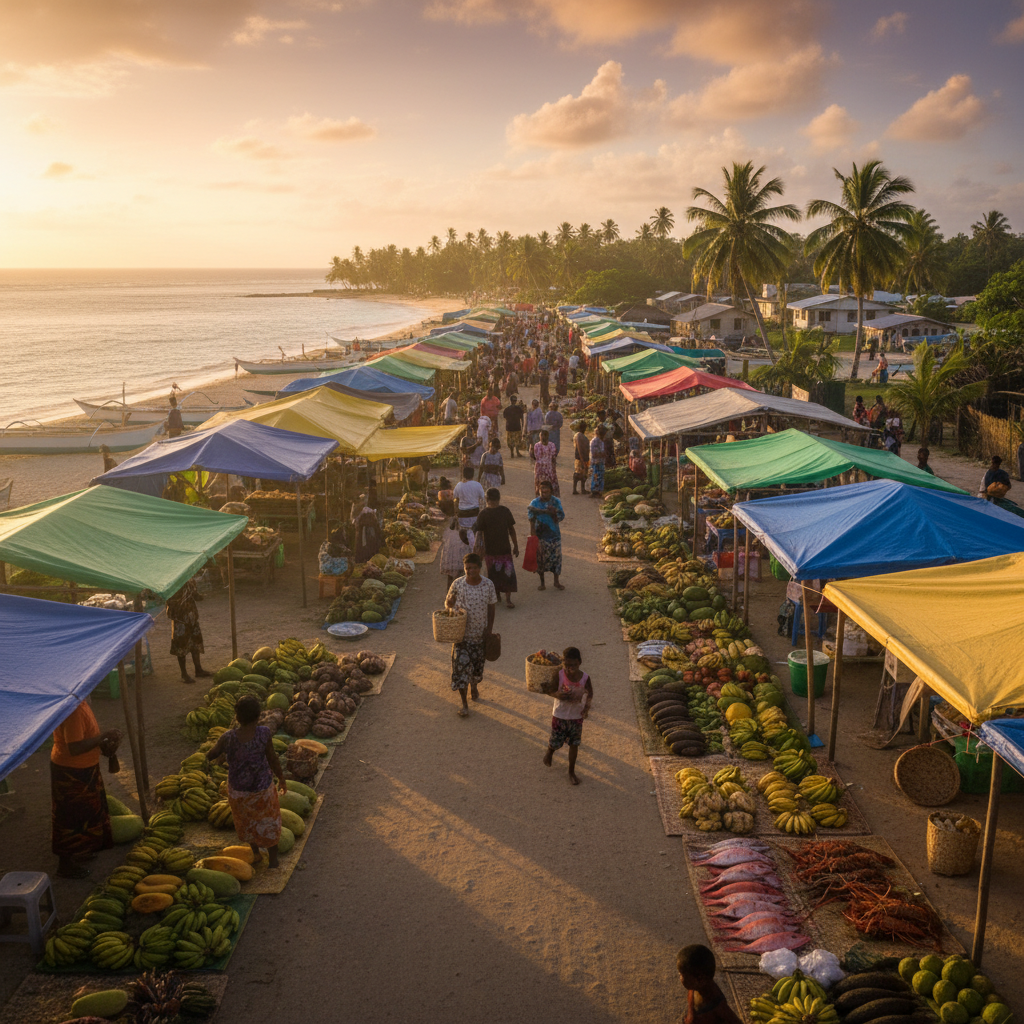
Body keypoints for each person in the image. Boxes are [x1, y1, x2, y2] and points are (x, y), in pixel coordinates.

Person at [206, 695, 287, 868]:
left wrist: (218, 753)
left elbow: (211, 755)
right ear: (259, 716)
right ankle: (273, 860)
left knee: (247, 822)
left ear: (237, 717)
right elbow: (272, 758)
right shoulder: (264, 733)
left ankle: (256, 853)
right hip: (262, 789)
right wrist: (281, 778)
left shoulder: (227, 737)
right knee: (269, 822)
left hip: (239, 791)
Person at [50, 698, 121, 877]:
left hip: (84, 767)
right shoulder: (73, 710)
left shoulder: (80, 702)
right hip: (72, 771)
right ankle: (65, 864)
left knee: (85, 816)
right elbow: (74, 747)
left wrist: (101, 742)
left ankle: (78, 852)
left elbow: (83, 737)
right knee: (70, 818)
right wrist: (101, 737)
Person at [445, 553, 497, 716]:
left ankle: (474, 686)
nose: (470, 570)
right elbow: (448, 605)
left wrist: (489, 630)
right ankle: (464, 705)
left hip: (479, 637)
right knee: (461, 669)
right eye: (467, 568)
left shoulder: (488, 585)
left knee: (476, 670)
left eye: (474, 567)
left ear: (479, 568)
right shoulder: (457, 584)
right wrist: (450, 604)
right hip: (461, 637)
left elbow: (491, 607)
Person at [542, 646, 592, 785]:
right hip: (560, 715)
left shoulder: (585, 678)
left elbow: (590, 693)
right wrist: (557, 694)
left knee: (574, 744)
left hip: (576, 717)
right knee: (556, 740)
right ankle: (550, 752)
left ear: (579, 662)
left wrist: (586, 708)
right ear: (563, 662)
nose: (570, 668)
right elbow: (549, 690)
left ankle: (571, 771)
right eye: (567, 665)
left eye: (574, 665)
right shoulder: (559, 675)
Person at [473, 487, 519, 609]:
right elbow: (512, 530)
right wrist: (516, 546)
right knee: (507, 575)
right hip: (504, 549)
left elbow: (478, 534)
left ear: (486, 499)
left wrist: (479, 551)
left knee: (493, 575)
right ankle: (508, 599)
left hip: (491, 551)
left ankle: (497, 595)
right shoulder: (505, 511)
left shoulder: (483, 514)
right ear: (499, 499)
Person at [441, 466, 487, 588]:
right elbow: (482, 498)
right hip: (474, 516)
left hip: (462, 518)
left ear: (463, 474)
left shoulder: (459, 486)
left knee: (462, 537)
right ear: (472, 474)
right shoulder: (477, 485)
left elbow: (455, 498)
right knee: (474, 536)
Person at [677, 944, 742, 1024]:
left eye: (681, 974)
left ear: (699, 979)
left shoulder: (716, 1003)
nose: (679, 976)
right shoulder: (695, 987)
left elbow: (735, 1021)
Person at [167, 577, 209, 684]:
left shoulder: (190, 580)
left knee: (195, 643)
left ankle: (198, 669)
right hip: (180, 619)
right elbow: (170, 600)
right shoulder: (172, 582)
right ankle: (184, 674)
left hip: (191, 617)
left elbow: (195, 596)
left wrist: (201, 596)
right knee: (181, 647)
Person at [528, 479, 565, 590]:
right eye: (541, 491)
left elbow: (561, 516)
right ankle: (542, 583)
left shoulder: (556, 502)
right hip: (540, 535)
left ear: (551, 491)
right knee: (541, 559)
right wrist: (533, 536)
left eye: (546, 491)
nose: (543, 493)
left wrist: (553, 513)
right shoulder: (534, 503)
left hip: (554, 534)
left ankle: (556, 582)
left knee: (556, 558)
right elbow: (531, 519)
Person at [532, 428, 560, 496]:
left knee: (545, 485)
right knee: (542, 484)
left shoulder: (540, 445)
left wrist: (553, 469)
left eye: (543, 436)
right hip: (542, 468)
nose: (542, 437)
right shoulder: (538, 445)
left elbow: (553, 458)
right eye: (541, 436)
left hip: (545, 468)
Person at [572, 422, 590, 495]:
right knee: (578, 473)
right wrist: (582, 459)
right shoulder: (579, 435)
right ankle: (575, 489)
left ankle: (582, 489)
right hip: (580, 458)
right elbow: (579, 448)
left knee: (584, 474)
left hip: (583, 457)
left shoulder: (580, 435)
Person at [589, 424, 607, 498]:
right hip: (596, 462)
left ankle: (598, 491)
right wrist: (602, 454)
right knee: (596, 476)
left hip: (600, 462)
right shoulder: (595, 441)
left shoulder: (600, 441)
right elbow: (594, 453)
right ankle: (595, 491)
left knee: (599, 476)